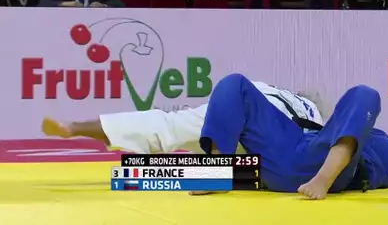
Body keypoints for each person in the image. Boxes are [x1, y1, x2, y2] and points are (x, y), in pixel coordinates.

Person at [196, 74, 388, 200]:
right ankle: (220, 170)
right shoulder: (315, 128)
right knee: (234, 83)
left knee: (365, 93)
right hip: (292, 148)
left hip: (333, 171)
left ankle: (323, 178)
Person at [42, 81, 324, 154]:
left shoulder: (271, 88)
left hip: (242, 109)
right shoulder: (314, 111)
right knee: (170, 127)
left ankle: (73, 127)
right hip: (279, 141)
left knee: (168, 126)